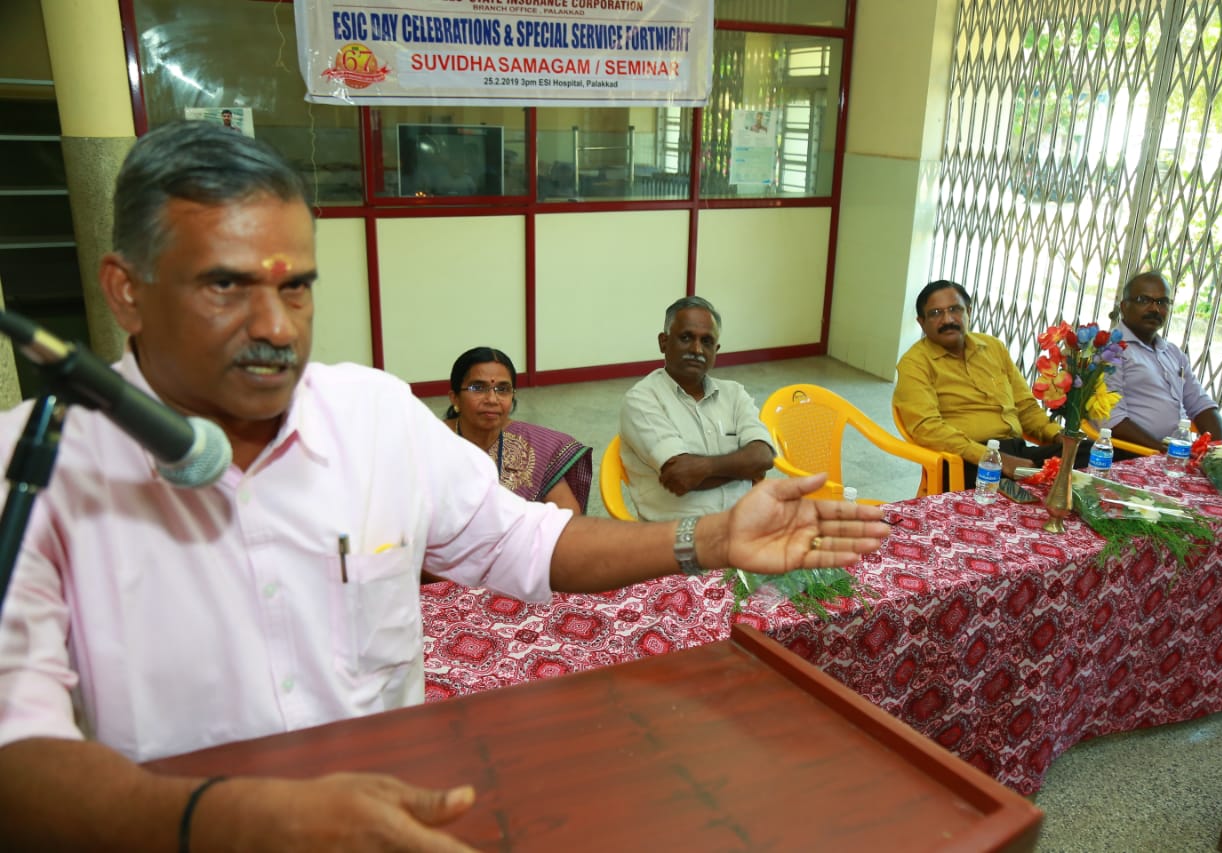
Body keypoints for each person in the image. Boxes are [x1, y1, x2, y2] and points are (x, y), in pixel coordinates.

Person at [0, 121, 890, 851]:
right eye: (225, 286)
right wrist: (223, 821)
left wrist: (711, 536)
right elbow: (17, 756)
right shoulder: (32, 471)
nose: (276, 326)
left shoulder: (376, 417)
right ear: (126, 291)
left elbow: (524, 539)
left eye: (298, 287)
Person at [893, 279, 1081, 487]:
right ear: (922, 322)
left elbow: (1025, 407)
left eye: (955, 309)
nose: (947, 319)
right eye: (936, 313)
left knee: (1087, 452)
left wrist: (1057, 435)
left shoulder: (993, 347)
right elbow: (926, 428)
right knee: (1019, 491)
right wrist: (991, 458)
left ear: (968, 312)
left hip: (1017, 452)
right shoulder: (915, 364)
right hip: (965, 459)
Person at [619, 296, 776, 521]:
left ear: (716, 350)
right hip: (678, 532)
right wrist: (744, 467)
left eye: (707, 341)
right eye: (686, 338)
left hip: (743, 522)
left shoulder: (734, 393)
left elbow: (763, 457)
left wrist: (703, 467)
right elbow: (681, 476)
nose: (697, 349)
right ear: (664, 342)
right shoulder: (642, 399)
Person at [444, 346, 591, 514]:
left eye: (503, 389)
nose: (492, 399)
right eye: (477, 388)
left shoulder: (538, 446)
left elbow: (569, 518)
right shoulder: (431, 442)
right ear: (454, 397)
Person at [1104, 271, 1222, 451]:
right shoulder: (1110, 350)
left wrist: (1218, 449)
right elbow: (1111, 419)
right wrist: (1163, 451)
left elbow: (1202, 405)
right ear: (1124, 306)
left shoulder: (1173, 353)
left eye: (1162, 302)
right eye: (1143, 300)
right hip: (1133, 453)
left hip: (1176, 453)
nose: (1154, 309)